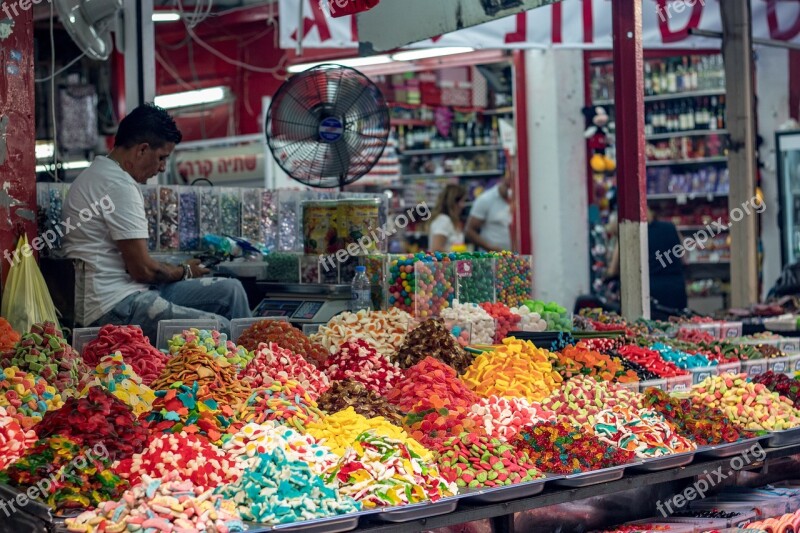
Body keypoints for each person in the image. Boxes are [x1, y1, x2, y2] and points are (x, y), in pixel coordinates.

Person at [62, 103, 251, 343]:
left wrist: (180, 270)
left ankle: (257, 367)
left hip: (129, 291)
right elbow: (143, 270)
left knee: (230, 291)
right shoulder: (119, 186)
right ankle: (245, 373)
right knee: (221, 329)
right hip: (114, 307)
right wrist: (184, 271)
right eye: (162, 158)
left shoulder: (98, 174)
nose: (162, 167)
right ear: (142, 150)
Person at [604, 207, 688, 312]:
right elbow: (685, 259)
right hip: (676, 289)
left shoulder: (631, 234)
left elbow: (613, 270)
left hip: (649, 292)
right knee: (679, 324)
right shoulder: (671, 227)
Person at [465, 168, 513, 252]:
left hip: (515, 258)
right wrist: (490, 248)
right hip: (492, 256)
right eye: (507, 186)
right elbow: (469, 230)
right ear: (502, 179)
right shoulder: (485, 199)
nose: (510, 191)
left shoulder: (517, 199)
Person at [428, 184, 467, 252]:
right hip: (445, 262)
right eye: (462, 201)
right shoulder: (443, 220)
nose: (463, 205)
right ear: (453, 202)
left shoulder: (450, 221)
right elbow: (436, 249)